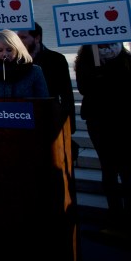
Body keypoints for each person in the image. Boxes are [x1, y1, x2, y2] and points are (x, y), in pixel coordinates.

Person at [75, 42, 131, 232]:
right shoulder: (86, 58)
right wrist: (98, 74)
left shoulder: (125, 59)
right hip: (98, 120)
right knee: (108, 168)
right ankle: (115, 216)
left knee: (126, 168)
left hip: (123, 120)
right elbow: (83, 87)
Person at [17, 23, 76, 134]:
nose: (18, 41)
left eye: (23, 37)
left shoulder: (56, 59)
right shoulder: (15, 61)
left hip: (49, 118)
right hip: (24, 119)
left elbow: (66, 95)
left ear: (37, 38)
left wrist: (69, 126)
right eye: (17, 37)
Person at [0, 30, 48, 98]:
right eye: (0, 50)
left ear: (17, 49)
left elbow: (43, 101)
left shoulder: (35, 72)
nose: (4, 54)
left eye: (9, 50)